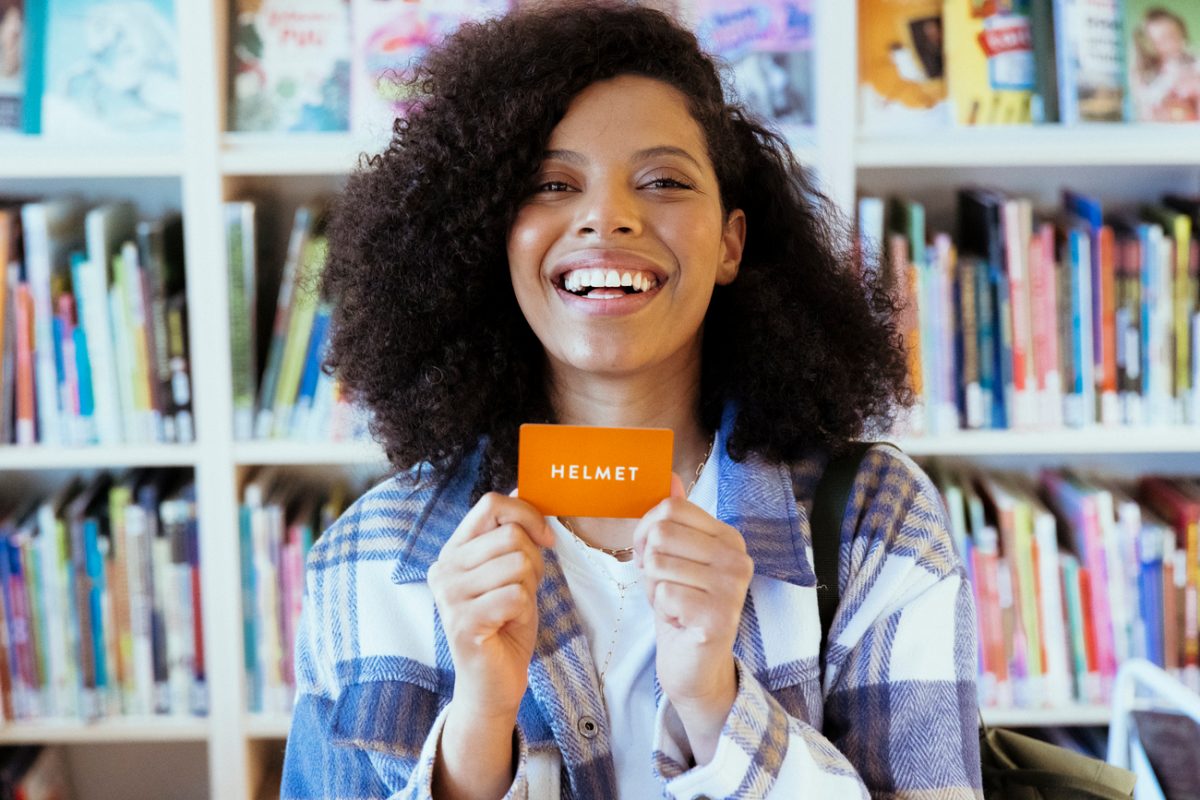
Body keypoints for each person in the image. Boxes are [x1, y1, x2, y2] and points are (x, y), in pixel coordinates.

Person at [281, 3, 981, 798]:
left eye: (664, 181)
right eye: (551, 182)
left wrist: (719, 707)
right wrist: (475, 735)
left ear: (730, 243)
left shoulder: (873, 524)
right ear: (487, 235)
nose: (607, 216)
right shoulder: (366, 560)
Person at [1133, 7, 1200, 122]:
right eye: (1162, 39)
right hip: (1161, 129)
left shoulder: (1193, 63)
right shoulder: (1146, 72)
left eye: (1174, 35)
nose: (1171, 43)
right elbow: (1145, 102)